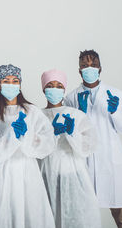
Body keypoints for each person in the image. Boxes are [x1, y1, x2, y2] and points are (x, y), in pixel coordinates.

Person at [64, 50, 122, 228]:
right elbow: (70, 134)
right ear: (79, 70)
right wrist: (80, 113)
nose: (89, 68)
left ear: (100, 68)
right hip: (85, 163)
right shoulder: (72, 98)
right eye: (85, 65)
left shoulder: (115, 94)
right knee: (84, 217)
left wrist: (115, 111)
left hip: (112, 163)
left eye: (93, 65)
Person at [0, 64, 55, 228]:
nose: (11, 84)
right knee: (3, 215)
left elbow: (48, 142)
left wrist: (27, 135)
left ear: (20, 85)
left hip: (28, 171)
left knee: (30, 213)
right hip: (2, 173)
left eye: (15, 81)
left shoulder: (32, 111)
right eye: (6, 81)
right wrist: (11, 136)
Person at [40, 69, 101, 228]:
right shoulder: (38, 116)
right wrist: (49, 136)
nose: (55, 89)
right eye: (50, 85)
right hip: (45, 176)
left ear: (64, 90)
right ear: (43, 89)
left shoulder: (75, 114)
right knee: (48, 219)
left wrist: (72, 133)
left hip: (73, 175)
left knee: (76, 218)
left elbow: (89, 147)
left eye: (59, 86)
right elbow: (34, 148)